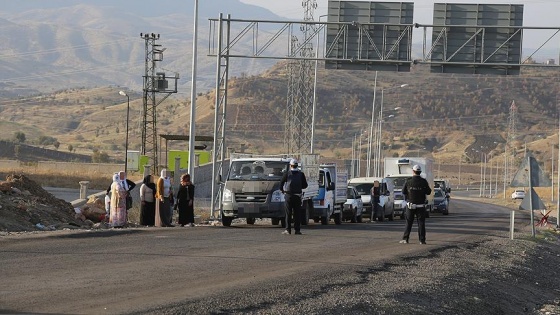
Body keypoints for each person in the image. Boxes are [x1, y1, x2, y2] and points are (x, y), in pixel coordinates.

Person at [400, 165, 432, 244]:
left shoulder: (408, 181)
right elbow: (428, 192)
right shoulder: (423, 181)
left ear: (413, 171)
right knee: (421, 223)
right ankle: (422, 240)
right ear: (420, 172)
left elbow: (403, 191)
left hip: (410, 205)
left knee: (409, 222)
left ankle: (405, 239)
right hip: (421, 206)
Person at [279, 159, 308, 235]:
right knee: (297, 213)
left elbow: (281, 184)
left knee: (288, 213)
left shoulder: (287, 174)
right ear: (297, 165)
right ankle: (297, 230)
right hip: (298, 196)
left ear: (290, 165)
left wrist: (282, 190)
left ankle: (288, 230)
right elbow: (305, 185)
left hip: (288, 196)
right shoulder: (301, 174)